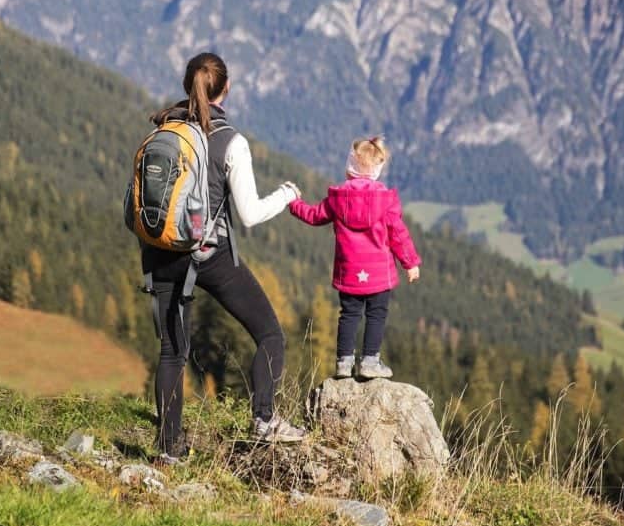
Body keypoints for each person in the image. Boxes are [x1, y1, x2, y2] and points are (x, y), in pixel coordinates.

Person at [140, 52, 307, 463]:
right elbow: (249, 215)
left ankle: (169, 450)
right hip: (210, 258)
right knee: (269, 333)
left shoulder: (167, 125)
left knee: (171, 352)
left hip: (161, 249)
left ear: (187, 86)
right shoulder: (231, 140)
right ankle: (264, 420)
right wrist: (286, 195)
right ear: (225, 89)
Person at [288, 136, 421, 380]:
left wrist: (293, 203)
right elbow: (398, 234)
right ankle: (370, 360)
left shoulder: (338, 198)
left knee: (349, 314)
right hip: (379, 273)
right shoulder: (385, 200)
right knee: (376, 314)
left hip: (349, 272)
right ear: (377, 170)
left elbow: (314, 215)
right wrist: (410, 263)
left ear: (350, 167)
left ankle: (343, 362)